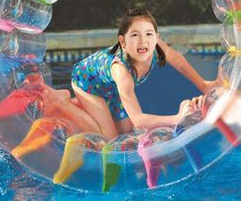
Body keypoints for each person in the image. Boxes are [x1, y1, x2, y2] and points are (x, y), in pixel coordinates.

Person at [42, 8, 215, 140]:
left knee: (126, 133)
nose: (143, 41)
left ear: (156, 37)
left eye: (148, 34)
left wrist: (204, 85)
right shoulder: (122, 71)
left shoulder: (156, 46)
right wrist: (176, 118)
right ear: (123, 42)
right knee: (108, 139)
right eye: (135, 35)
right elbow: (139, 119)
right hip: (87, 82)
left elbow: (178, 61)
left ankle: (82, 106)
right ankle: (63, 103)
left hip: (110, 86)